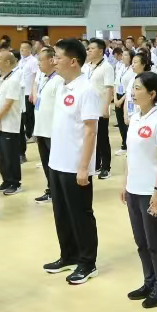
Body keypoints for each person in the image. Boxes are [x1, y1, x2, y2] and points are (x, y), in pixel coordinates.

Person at [43, 39, 101, 285]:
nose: (53, 60)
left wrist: (83, 167)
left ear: (73, 61)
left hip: (76, 164)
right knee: (62, 213)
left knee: (80, 214)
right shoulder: (61, 85)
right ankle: (68, 255)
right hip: (57, 161)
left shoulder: (86, 90)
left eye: (57, 56)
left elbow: (90, 131)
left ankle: (87, 263)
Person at [121, 71, 157, 308]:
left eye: (138, 89)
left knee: (155, 242)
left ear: (152, 94)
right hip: (133, 189)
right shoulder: (135, 118)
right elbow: (130, 154)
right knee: (141, 242)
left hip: (151, 191)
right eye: (133, 88)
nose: (133, 93)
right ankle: (149, 281)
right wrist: (125, 183)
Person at [30, 46, 62, 204]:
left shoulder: (59, 80)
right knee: (45, 162)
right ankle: (50, 189)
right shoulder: (44, 78)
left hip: (52, 131)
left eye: (40, 61)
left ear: (51, 60)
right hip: (41, 128)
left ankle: (56, 191)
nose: (38, 64)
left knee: (54, 164)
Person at [0, 50, 26, 195]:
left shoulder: (14, 80)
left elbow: (9, 102)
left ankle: (15, 182)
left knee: (10, 155)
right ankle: (6, 180)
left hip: (9, 123)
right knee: (1, 155)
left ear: (7, 62)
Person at [84, 38, 116, 179]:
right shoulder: (86, 66)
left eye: (92, 48)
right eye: (88, 48)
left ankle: (106, 167)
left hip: (100, 107)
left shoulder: (106, 67)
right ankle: (95, 164)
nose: (89, 50)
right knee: (91, 137)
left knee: (102, 138)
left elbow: (109, 89)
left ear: (101, 51)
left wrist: (106, 107)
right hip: (88, 107)